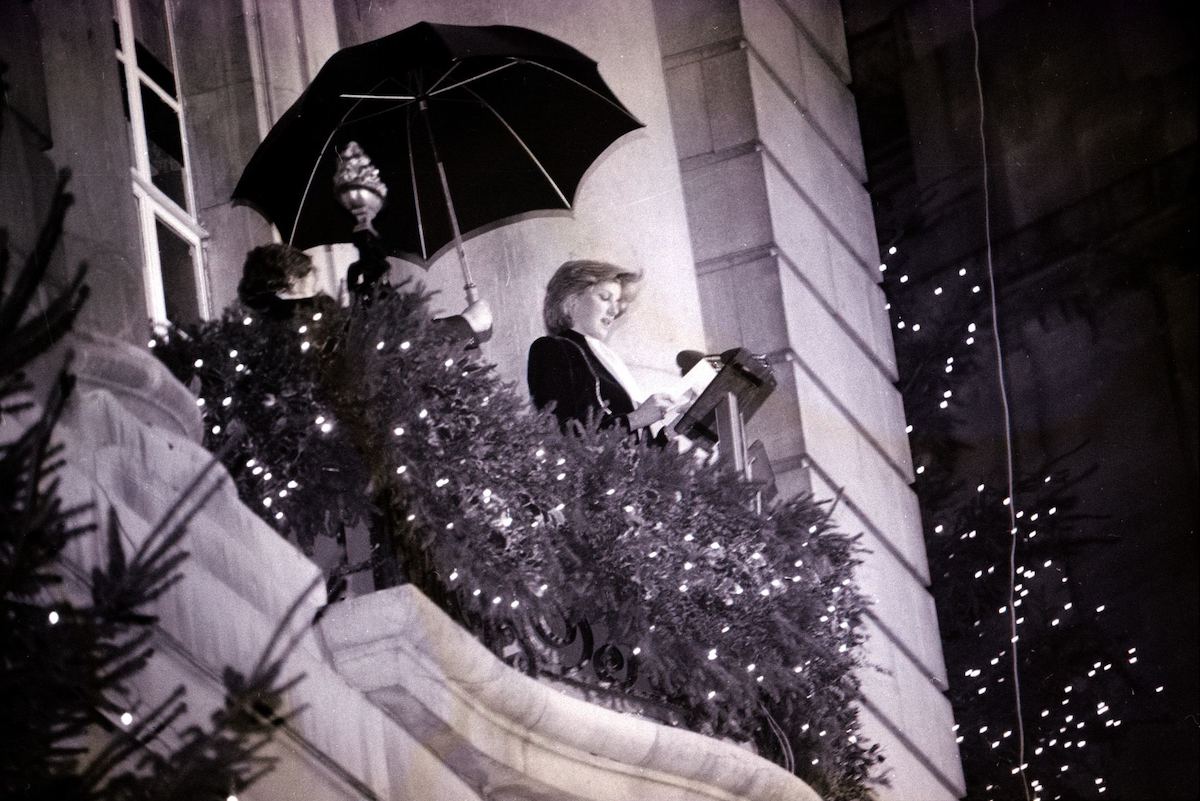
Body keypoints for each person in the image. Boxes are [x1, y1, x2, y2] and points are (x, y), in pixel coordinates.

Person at [527, 260, 675, 437]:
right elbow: (566, 433)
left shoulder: (607, 358)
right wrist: (637, 418)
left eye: (617, 301)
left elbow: (631, 441)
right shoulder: (551, 348)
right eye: (605, 298)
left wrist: (673, 431)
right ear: (571, 301)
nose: (615, 310)